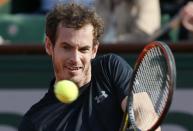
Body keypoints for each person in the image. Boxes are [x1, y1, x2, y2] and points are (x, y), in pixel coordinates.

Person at [18, 3, 160, 131]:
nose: (75, 58)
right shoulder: (34, 122)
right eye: (66, 47)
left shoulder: (110, 68)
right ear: (49, 46)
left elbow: (145, 114)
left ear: (94, 50)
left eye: (84, 49)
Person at [95, 0, 161, 43]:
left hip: (130, 57)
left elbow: (144, 36)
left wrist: (113, 42)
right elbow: (94, 33)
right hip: (100, 55)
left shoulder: (147, 2)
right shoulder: (101, 2)